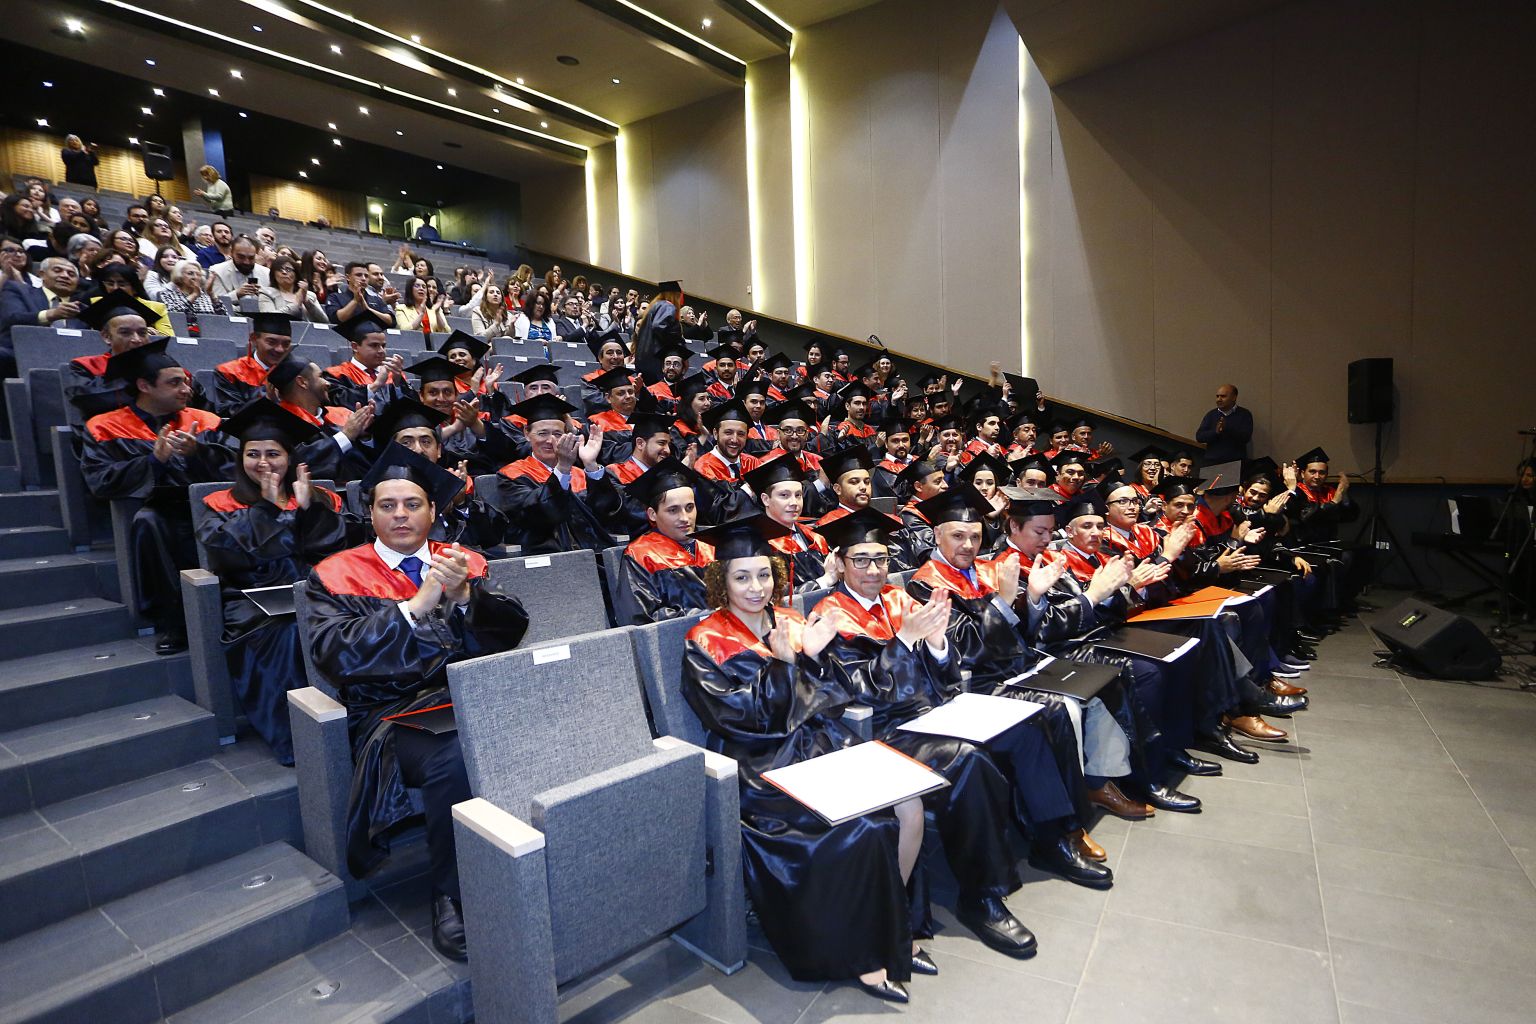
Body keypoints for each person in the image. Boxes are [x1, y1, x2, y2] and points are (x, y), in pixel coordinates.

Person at [681, 514, 927, 1002]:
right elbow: (739, 720)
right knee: (865, 827)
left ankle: (891, 923)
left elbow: (833, 694)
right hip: (760, 764)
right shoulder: (705, 640)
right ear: (722, 581)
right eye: (742, 577)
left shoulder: (794, 622)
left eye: (763, 575)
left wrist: (810, 657)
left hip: (819, 743)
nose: (756, 587)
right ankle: (865, 951)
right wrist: (785, 665)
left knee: (909, 805)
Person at [305, 443, 529, 960]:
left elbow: (511, 630)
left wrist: (466, 597)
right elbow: (335, 656)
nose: (401, 515)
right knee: (458, 754)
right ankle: (453, 893)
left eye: (412, 504)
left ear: (432, 511)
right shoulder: (336, 573)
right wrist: (417, 604)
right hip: (393, 715)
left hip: (470, 694)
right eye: (387, 505)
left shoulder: (463, 563)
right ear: (370, 513)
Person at [813, 507, 1038, 957]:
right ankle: (982, 897)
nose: (873, 570)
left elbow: (948, 671)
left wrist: (936, 646)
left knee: (1018, 724)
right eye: (861, 560)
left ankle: (1040, 838)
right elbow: (856, 693)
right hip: (879, 730)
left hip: (930, 715)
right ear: (839, 562)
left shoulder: (899, 599)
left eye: (880, 559)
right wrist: (904, 642)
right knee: (969, 761)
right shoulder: (830, 615)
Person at [905, 486, 1113, 886]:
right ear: (936, 536)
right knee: (1043, 714)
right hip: (973, 685)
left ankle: (1064, 827)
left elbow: (1026, 633)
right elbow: (964, 650)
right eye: (958, 536)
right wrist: (1003, 602)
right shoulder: (925, 584)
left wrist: (1030, 598)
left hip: (1013, 668)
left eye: (975, 536)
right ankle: (1054, 836)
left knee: (1062, 706)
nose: (968, 545)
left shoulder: (987, 570)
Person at [198, 400, 348, 764]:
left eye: (273, 454)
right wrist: (264, 507)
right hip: (252, 603)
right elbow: (228, 556)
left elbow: (337, 550)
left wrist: (310, 509)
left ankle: (354, 726)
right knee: (290, 633)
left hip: (316, 591)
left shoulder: (318, 497)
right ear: (240, 459)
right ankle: (300, 740)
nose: (263, 463)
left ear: (290, 458)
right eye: (253, 454)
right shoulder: (221, 504)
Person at [81, 339, 234, 653]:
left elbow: (236, 467)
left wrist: (198, 452)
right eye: (174, 383)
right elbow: (100, 480)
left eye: (186, 382)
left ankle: (236, 611)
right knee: (148, 523)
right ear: (144, 386)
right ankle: (175, 621)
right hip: (157, 510)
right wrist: (154, 461)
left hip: (209, 505)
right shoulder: (105, 426)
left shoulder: (204, 420)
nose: (186, 389)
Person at [367, 399, 508, 549]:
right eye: (407, 442)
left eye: (426, 442)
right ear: (393, 450)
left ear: (439, 450)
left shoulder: (454, 484)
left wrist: (461, 503)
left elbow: (491, 538)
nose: (418, 449)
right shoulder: (376, 491)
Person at [492, 394, 621, 553]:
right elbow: (535, 516)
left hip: (593, 553)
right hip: (545, 557)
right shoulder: (512, 474)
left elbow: (608, 513)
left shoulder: (580, 474)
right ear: (526, 433)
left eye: (557, 434)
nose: (550, 440)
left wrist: (591, 465)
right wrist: (563, 469)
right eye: (542, 433)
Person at [620, 458, 717, 623]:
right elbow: (643, 617)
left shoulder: (711, 545)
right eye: (673, 510)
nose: (685, 518)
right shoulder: (640, 555)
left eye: (689, 508)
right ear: (652, 514)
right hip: (678, 636)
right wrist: (706, 617)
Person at [213, 312, 296, 414]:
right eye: (271, 342)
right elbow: (228, 412)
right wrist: (266, 401)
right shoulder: (230, 372)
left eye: (286, 344)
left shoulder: (296, 373)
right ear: (254, 339)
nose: (280, 349)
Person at [208, 236, 271, 313]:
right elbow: (216, 302)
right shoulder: (217, 271)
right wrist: (237, 293)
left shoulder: (267, 273)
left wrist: (262, 295)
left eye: (251, 258)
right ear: (231, 253)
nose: (246, 262)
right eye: (241, 257)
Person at [259, 255, 329, 322]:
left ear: (296, 274)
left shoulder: (310, 295)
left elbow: (325, 321)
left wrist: (306, 301)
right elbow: (268, 319)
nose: (284, 272)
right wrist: (296, 304)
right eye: (280, 270)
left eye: (288, 269)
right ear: (274, 274)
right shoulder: (266, 293)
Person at [325, 261, 395, 328]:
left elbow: (391, 321)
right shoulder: (335, 297)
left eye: (366, 276)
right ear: (348, 277)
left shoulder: (376, 299)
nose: (363, 279)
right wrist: (355, 301)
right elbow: (337, 319)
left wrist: (368, 310)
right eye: (358, 275)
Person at [1195, 384, 1253, 464]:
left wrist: (1227, 428)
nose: (1219, 399)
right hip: (1212, 462)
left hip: (1235, 463)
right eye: (1217, 396)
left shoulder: (1244, 414)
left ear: (1234, 397)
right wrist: (1216, 432)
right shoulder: (1211, 415)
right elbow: (1199, 437)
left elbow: (1245, 437)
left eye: (1223, 396)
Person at [158, 260, 226, 319]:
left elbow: (225, 319)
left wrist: (211, 293)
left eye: (198, 274)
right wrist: (194, 295)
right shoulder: (167, 295)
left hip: (209, 329)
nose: (195, 277)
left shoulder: (206, 297)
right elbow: (173, 316)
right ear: (179, 275)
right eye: (190, 273)